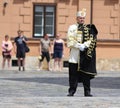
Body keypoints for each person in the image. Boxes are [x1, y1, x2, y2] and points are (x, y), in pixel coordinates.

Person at [67, 8, 98, 97]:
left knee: (86, 75)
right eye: (80, 18)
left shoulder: (88, 29)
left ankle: (87, 91)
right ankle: (71, 91)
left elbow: (91, 40)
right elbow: (70, 39)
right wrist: (78, 46)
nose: (82, 19)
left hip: (84, 56)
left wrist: (84, 45)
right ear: (77, 18)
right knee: (73, 75)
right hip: (75, 56)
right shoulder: (72, 27)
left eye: (83, 18)